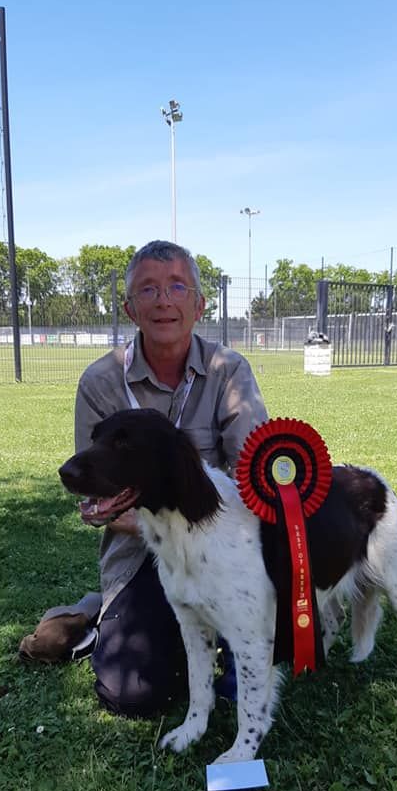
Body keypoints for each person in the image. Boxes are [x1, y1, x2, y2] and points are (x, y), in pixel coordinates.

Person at [71, 240, 268, 718]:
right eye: (149, 289)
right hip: (145, 556)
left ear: (199, 305)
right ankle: (100, 611)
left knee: (261, 662)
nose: (164, 300)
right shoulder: (100, 383)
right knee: (135, 692)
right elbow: (99, 500)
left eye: (178, 286)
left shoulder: (229, 370)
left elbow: (256, 480)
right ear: (129, 308)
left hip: (222, 552)